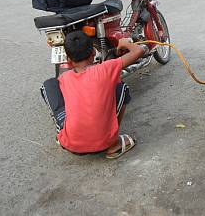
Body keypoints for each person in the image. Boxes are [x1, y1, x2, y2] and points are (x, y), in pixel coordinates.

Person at [40, 31, 146, 159]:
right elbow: (139, 51)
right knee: (121, 87)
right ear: (93, 53)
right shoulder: (106, 68)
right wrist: (125, 42)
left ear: (68, 59)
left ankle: (62, 132)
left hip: (70, 145)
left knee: (48, 85)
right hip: (104, 143)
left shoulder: (64, 78)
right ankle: (113, 144)